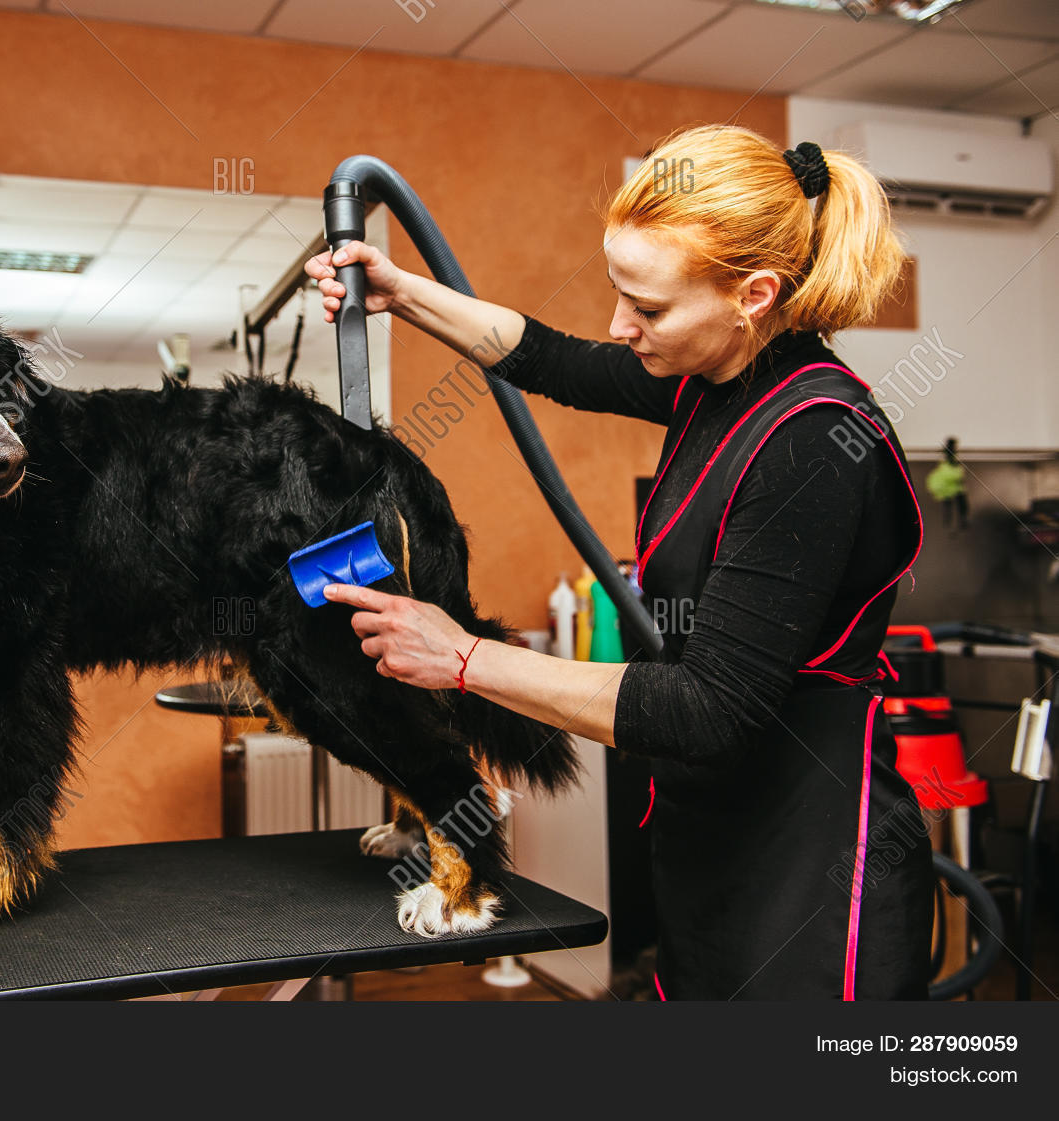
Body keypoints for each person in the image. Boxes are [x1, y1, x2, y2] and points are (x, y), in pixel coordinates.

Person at [305, 125, 933, 1000]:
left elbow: (707, 707)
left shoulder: (815, 443)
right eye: (618, 294)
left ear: (753, 296)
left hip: (818, 871)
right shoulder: (716, 380)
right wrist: (403, 294)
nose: (620, 325)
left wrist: (464, 657)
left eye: (649, 308)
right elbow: (554, 360)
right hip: (716, 841)